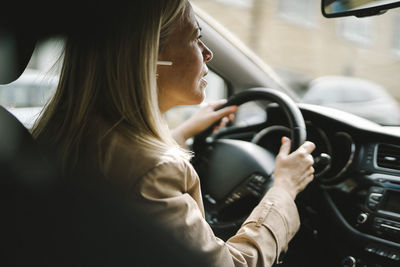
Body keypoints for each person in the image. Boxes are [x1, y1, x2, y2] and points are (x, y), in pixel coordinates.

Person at [32, 0, 315, 266]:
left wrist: (182, 133)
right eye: (194, 37)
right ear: (150, 57)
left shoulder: (62, 132)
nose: (208, 53)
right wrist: (283, 190)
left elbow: (130, 166)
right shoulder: (156, 173)